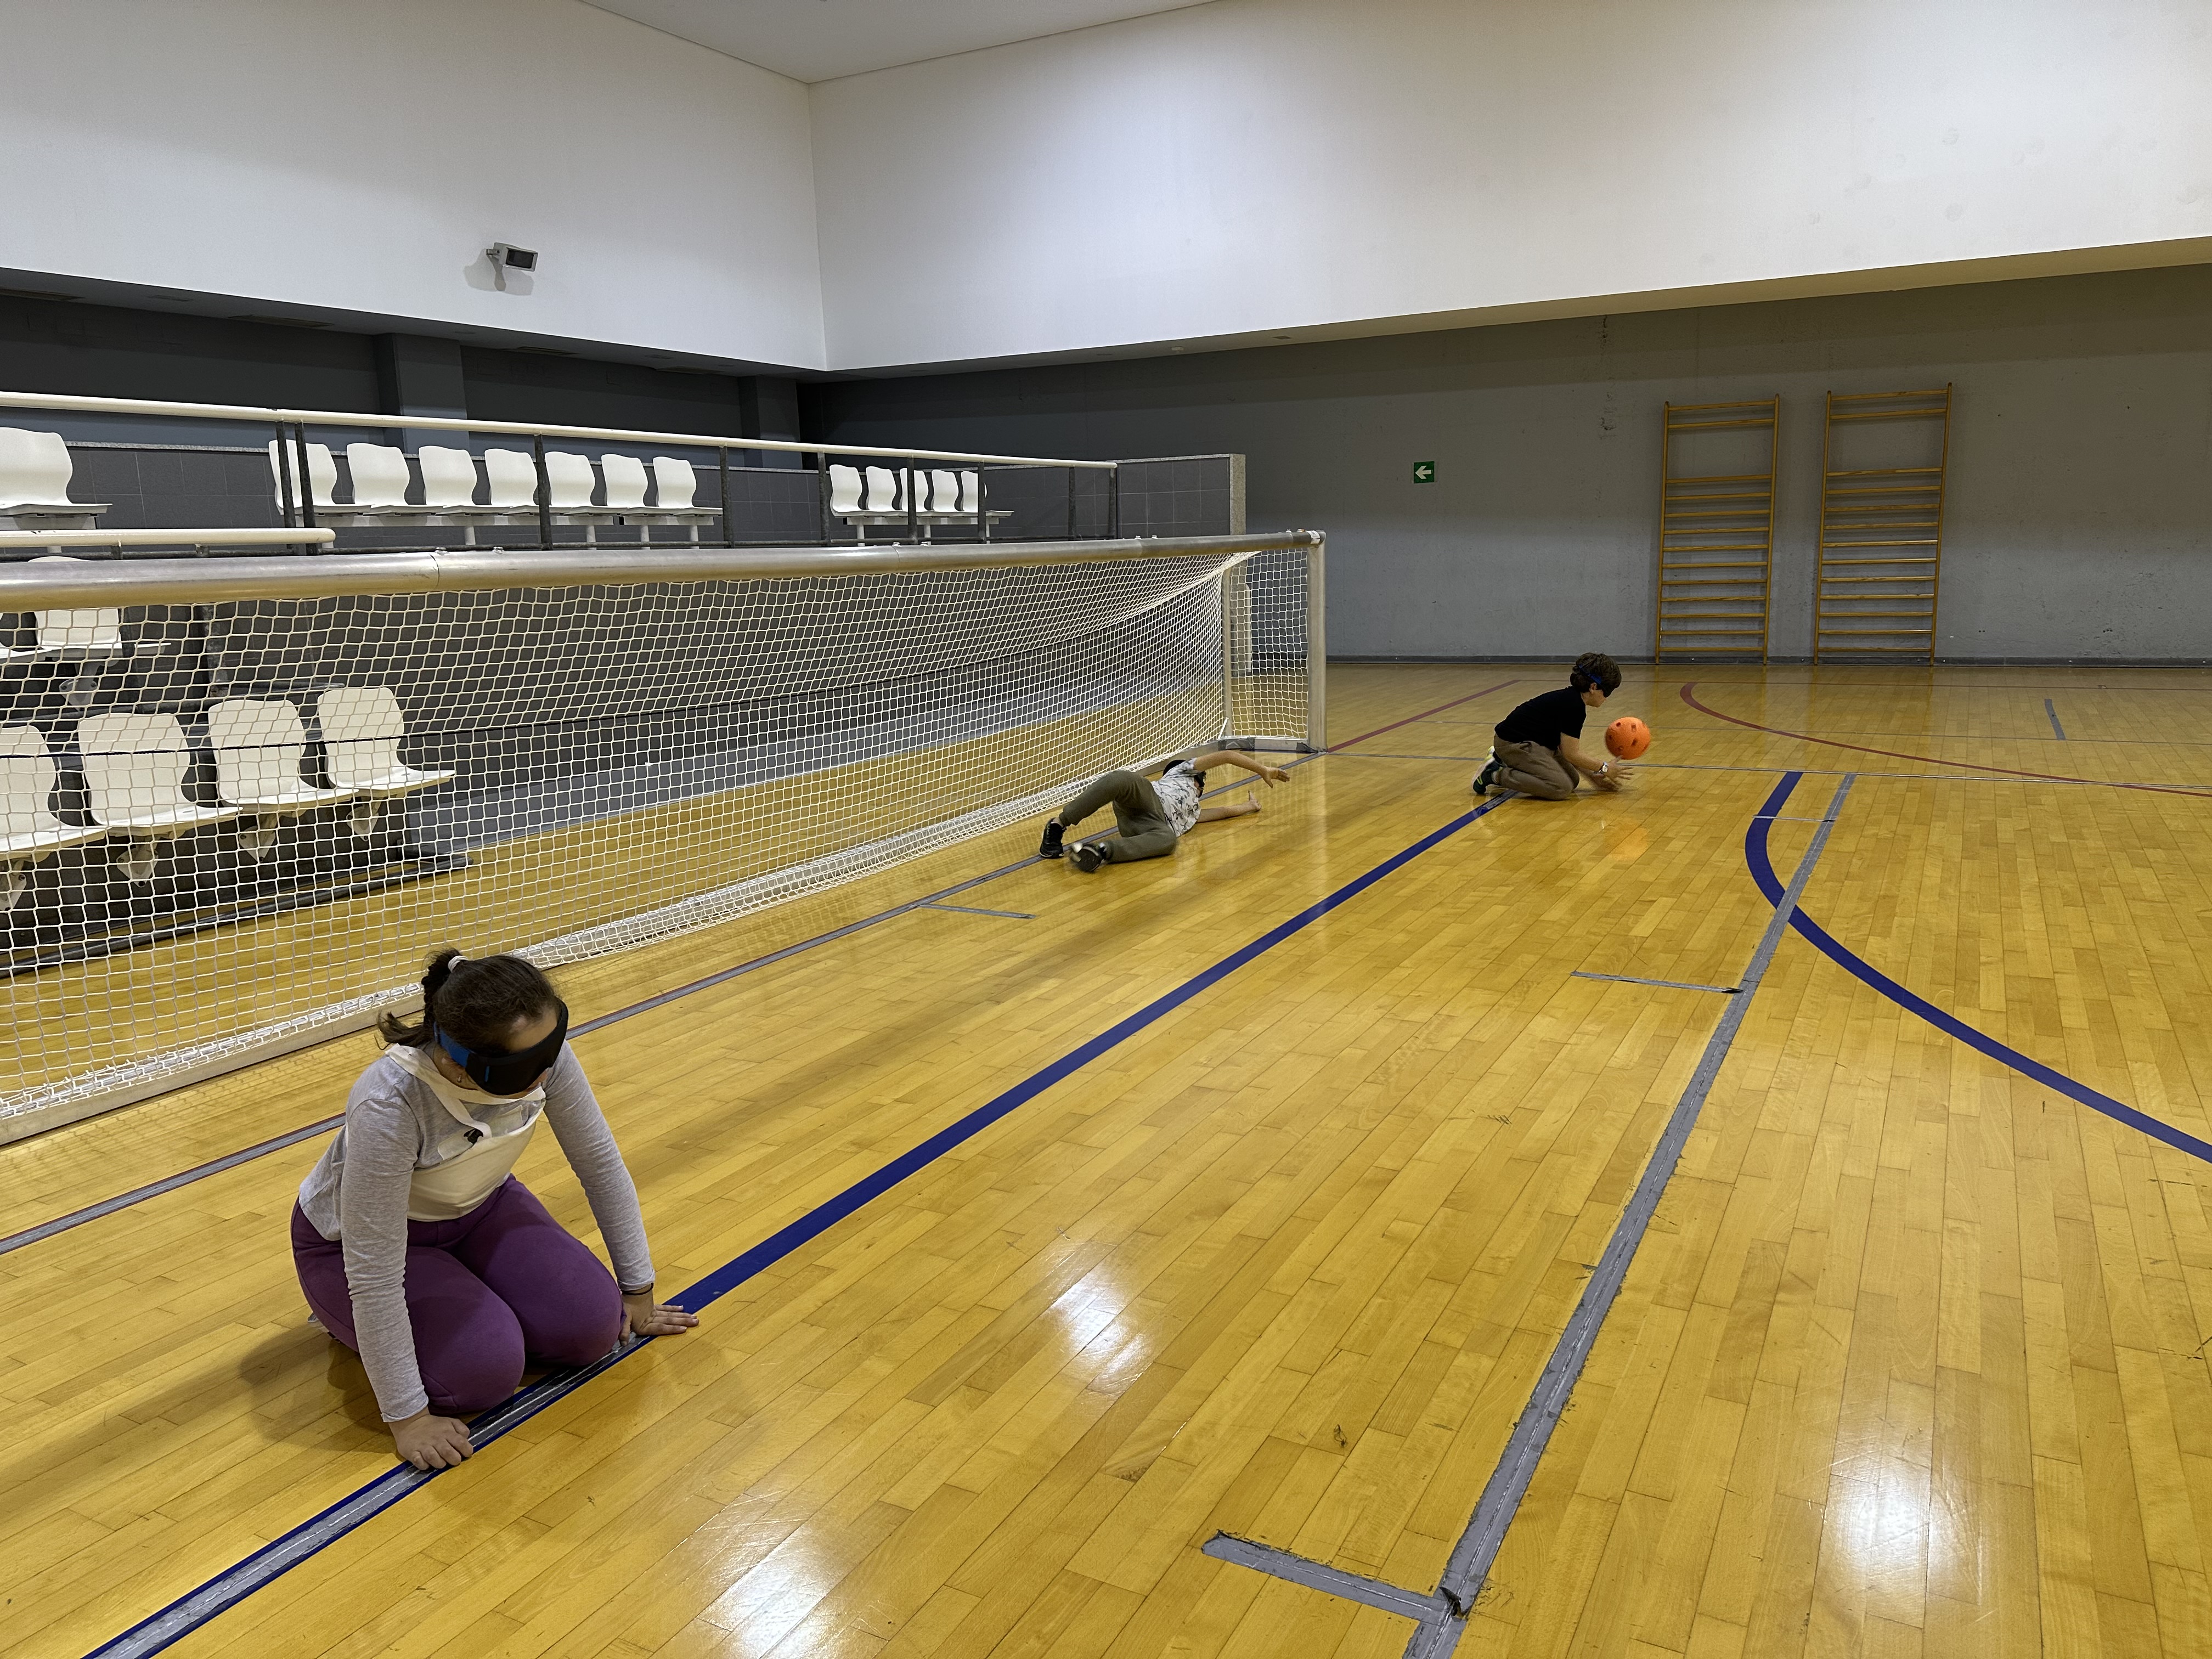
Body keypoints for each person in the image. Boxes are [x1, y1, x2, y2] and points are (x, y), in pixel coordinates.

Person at [292, 950, 697, 1470]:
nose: (548, 1068)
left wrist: (637, 1289)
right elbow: (373, 1272)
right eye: (529, 1064)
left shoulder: (541, 1057)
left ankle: (468, 1289)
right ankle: (337, 1312)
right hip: (353, 1247)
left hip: (481, 1208)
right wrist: (408, 1416)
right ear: (459, 1065)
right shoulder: (390, 1103)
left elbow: (599, 1164)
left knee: (593, 1327)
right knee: (482, 1373)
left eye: (552, 1047)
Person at [1040, 749, 1292, 872]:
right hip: (1147, 798)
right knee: (1120, 779)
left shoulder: (1193, 814)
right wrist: (1262, 770)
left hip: (1149, 828)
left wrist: (1249, 807)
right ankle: (1058, 825)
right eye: (1200, 779)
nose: (1200, 784)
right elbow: (1226, 756)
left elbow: (1223, 812)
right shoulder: (1179, 772)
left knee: (1169, 841)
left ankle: (1102, 852)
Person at [1472, 653, 1629, 800]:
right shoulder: (1573, 707)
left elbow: (1565, 749)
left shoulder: (1572, 701)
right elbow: (1571, 754)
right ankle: (1495, 774)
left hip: (1537, 744)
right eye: (1608, 692)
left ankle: (1505, 762)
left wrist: (1593, 778)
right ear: (1593, 687)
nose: (1607, 698)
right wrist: (1605, 768)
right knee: (1560, 788)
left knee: (1572, 780)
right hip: (1513, 744)